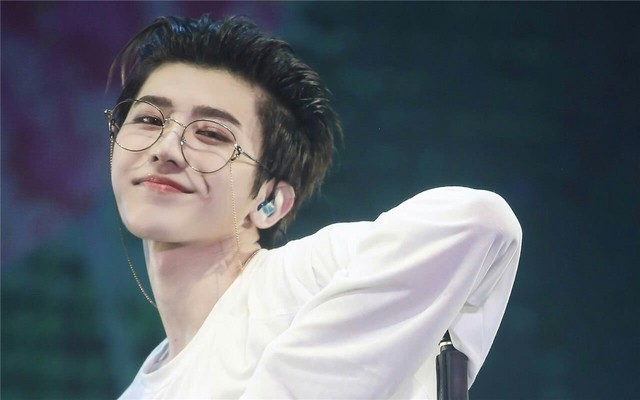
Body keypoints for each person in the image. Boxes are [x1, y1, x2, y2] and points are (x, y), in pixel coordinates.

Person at [106, 14, 522, 399]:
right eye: (149, 120)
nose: (166, 149)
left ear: (269, 201)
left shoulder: (307, 278)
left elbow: (478, 221)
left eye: (212, 134)